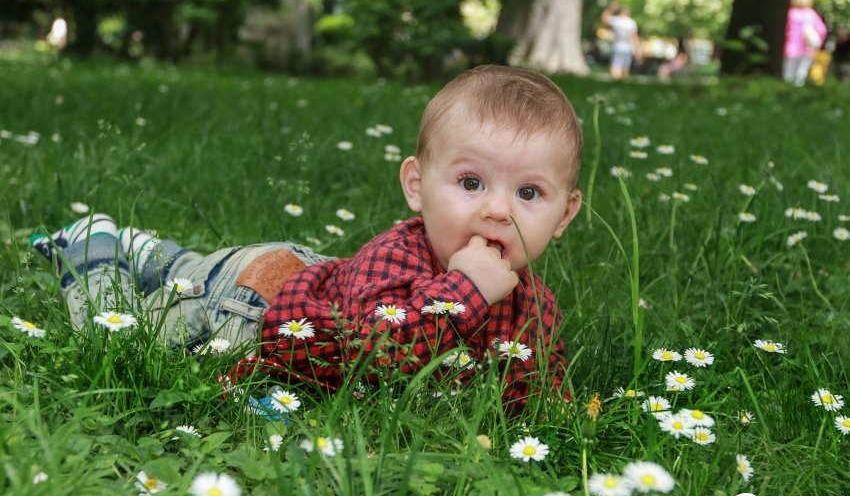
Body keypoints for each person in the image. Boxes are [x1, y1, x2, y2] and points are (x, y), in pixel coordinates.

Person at [30, 65, 583, 410]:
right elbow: (373, 354)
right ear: (417, 186)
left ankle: (159, 255)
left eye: (529, 193)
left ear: (564, 215)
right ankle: (93, 249)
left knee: (187, 275)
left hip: (289, 274)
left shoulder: (534, 305)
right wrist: (463, 291)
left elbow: (531, 381)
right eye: (470, 182)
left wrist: (561, 412)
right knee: (120, 336)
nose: (496, 210)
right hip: (249, 305)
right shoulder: (393, 257)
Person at [783, 0, 827, 86]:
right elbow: (822, 30)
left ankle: (786, 91)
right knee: (801, 73)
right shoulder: (812, 14)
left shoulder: (791, 13)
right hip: (808, 48)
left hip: (791, 47)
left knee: (788, 73)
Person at [601, 2, 641, 79]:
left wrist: (610, 9)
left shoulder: (617, 20)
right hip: (628, 47)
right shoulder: (631, 22)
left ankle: (616, 81)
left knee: (616, 66)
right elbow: (635, 37)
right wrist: (637, 49)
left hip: (618, 46)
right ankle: (622, 82)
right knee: (625, 67)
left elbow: (604, 18)